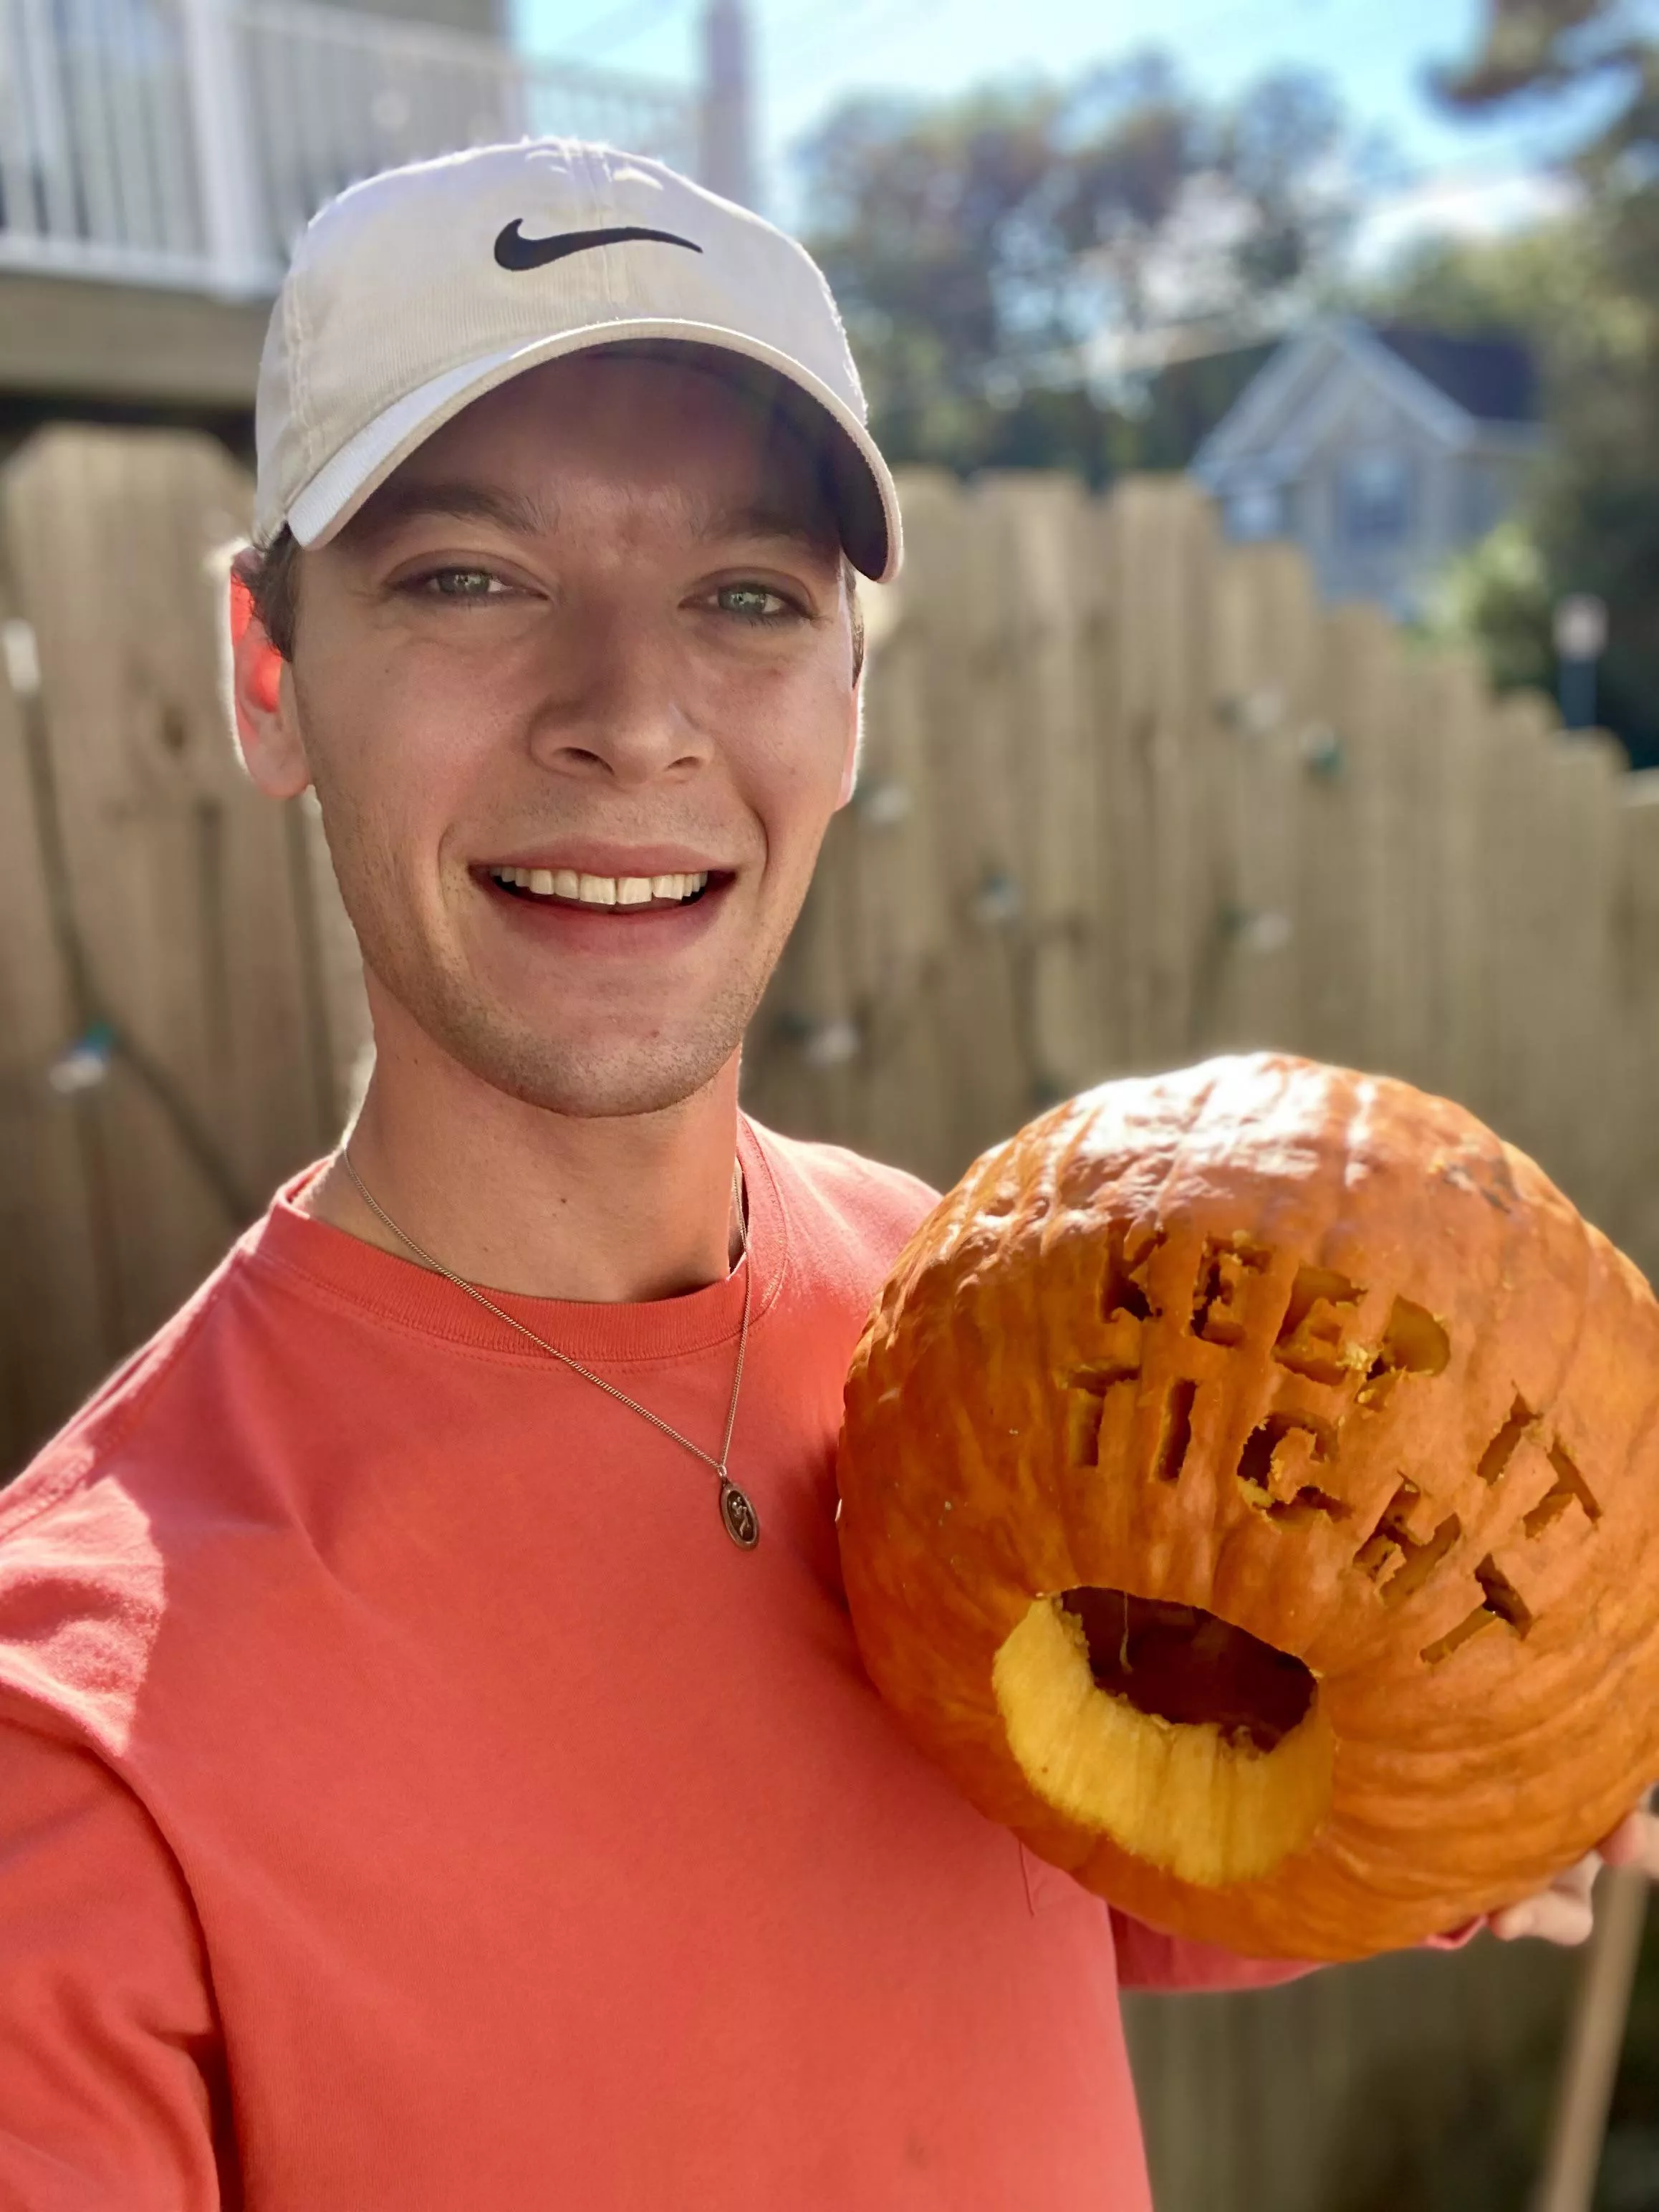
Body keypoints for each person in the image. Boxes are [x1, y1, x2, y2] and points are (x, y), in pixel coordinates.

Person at [0, 138, 1650, 2211]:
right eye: (471, 578)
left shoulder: (998, 1322)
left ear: (848, 697)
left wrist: (1488, 1767)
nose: (633, 715)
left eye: (746, 597)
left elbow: (1066, 1868)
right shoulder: (74, 1752)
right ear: (271, 673)